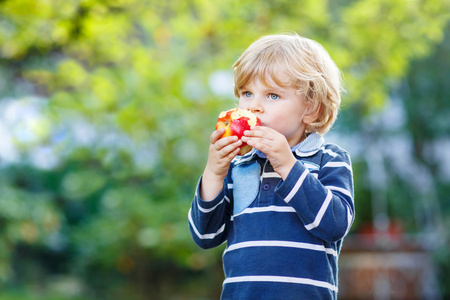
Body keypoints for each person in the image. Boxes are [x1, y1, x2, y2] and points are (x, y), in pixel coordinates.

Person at [188, 33, 354, 299]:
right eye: (247, 93)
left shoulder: (330, 159)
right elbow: (205, 236)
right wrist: (214, 173)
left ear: (311, 109)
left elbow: (335, 225)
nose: (254, 106)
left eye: (272, 96)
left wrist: (287, 165)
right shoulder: (239, 165)